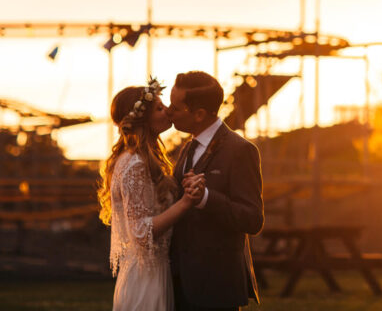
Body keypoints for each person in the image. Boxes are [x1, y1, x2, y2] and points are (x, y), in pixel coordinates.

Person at [98, 78, 206, 311]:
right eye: (159, 107)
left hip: (153, 273)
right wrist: (186, 202)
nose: (167, 110)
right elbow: (141, 232)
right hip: (147, 280)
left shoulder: (140, 159)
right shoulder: (135, 164)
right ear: (141, 119)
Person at [167, 70, 264, 311]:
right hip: (180, 281)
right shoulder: (188, 148)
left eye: (176, 107)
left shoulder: (241, 151)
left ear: (199, 114)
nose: (169, 112)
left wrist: (206, 198)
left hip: (216, 286)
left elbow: (253, 219)